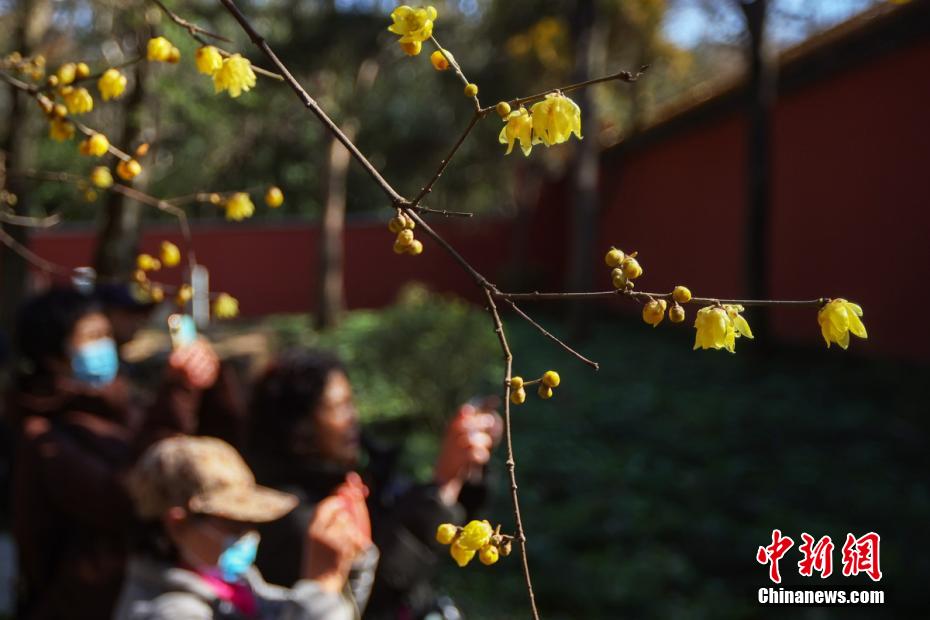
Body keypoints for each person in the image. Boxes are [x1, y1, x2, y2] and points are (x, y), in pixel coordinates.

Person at [4, 286, 220, 619]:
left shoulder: (122, 406)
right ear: (52, 354)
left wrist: (207, 386)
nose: (103, 345)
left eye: (105, 333)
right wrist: (175, 394)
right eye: (90, 336)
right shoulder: (44, 439)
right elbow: (127, 498)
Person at [247, 349, 501, 619]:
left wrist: (465, 470)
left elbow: (426, 523)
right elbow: (373, 596)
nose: (353, 417)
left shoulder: (359, 472)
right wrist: (442, 486)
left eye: (351, 403)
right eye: (338, 407)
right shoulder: (291, 518)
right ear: (299, 429)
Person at [114, 434, 371, 620]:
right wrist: (322, 585)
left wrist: (347, 561)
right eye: (233, 522)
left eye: (250, 521)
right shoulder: (169, 612)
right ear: (176, 523)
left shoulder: (237, 586)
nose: (247, 534)